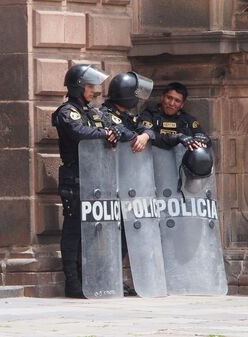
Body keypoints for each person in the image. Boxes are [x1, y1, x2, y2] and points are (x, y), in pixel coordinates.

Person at [52, 64, 119, 298]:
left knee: (93, 230)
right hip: (75, 178)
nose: (94, 90)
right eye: (90, 86)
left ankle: (88, 277)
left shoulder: (93, 112)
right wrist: (104, 135)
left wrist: (113, 134)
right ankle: (73, 281)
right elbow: (79, 132)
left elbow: (113, 128)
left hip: (96, 178)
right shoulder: (67, 111)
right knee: (73, 230)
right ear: (78, 87)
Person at [99, 71, 156, 296]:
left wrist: (147, 135)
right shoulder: (105, 114)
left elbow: (150, 130)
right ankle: (108, 277)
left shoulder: (130, 116)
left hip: (131, 187)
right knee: (110, 235)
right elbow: (120, 133)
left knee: (127, 235)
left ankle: (120, 277)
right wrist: (136, 137)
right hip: (111, 184)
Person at [137, 82, 210, 151]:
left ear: (182, 105)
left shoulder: (187, 119)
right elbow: (149, 135)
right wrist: (176, 138)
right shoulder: (149, 114)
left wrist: (203, 140)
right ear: (162, 97)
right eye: (169, 98)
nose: (172, 103)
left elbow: (205, 138)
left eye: (177, 101)